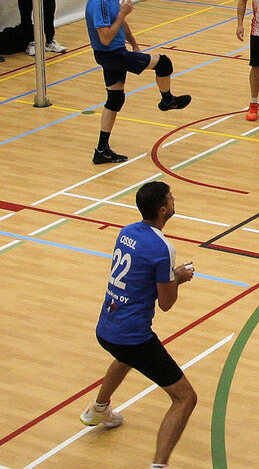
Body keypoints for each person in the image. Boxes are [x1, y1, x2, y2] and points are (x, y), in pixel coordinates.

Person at [82, 180, 199, 469]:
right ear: (163, 209)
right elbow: (166, 303)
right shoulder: (163, 248)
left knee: (125, 357)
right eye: (171, 197)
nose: (174, 199)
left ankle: (98, 409)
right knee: (185, 398)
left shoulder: (126, 232)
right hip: (132, 335)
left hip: (106, 327)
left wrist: (168, 274)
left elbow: (139, 274)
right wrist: (178, 278)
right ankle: (159, 465)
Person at [86, 0, 192, 165]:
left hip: (115, 52)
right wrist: (122, 13)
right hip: (112, 54)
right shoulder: (99, 3)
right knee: (164, 64)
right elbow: (105, 38)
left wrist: (134, 43)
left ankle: (101, 151)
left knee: (115, 100)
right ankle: (167, 100)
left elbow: (120, 23)